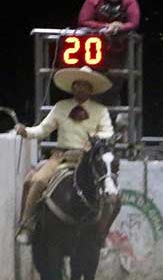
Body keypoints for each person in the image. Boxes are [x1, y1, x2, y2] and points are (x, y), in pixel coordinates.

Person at [14, 66, 114, 245]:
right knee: (36, 181)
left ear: (91, 89)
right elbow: (43, 129)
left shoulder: (101, 111)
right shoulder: (61, 107)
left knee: (111, 193)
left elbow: (108, 132)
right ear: (72, 88)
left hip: (88, 160)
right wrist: (26, 131)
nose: (80, 89)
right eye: (77, 85)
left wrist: (96, 138)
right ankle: (27, 225)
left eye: (85, 85)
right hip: (61, 157)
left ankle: (101, 233)